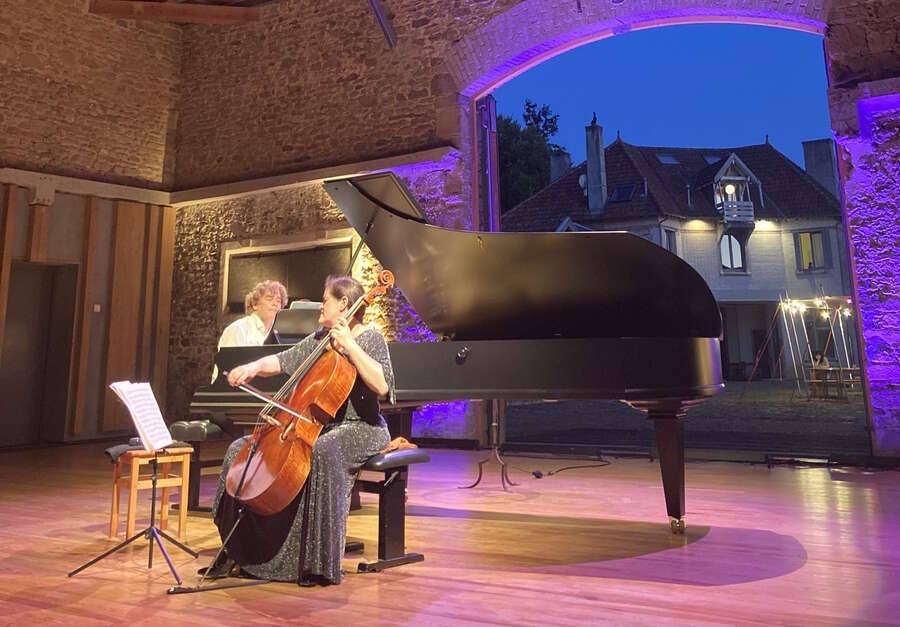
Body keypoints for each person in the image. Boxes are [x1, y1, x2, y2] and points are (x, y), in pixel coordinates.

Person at [208, 275, 393, 586]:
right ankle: (239, 551)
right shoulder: (320, 339)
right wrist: (252, 367)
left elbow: (382, 385)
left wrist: (349, 346)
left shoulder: (370, 339)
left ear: (344, 304)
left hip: (362, 427)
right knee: (239, 448)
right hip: (319, 424)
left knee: (324, 449)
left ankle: (318, 564)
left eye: (325, 302)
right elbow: (282, 360)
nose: (320, 307)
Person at [211, 280, 287, 382]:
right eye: (269, 299)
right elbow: (230, 370)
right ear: (255, 304)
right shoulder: (237, 329)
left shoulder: (278, 334)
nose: (275, 304)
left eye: (278, 301)